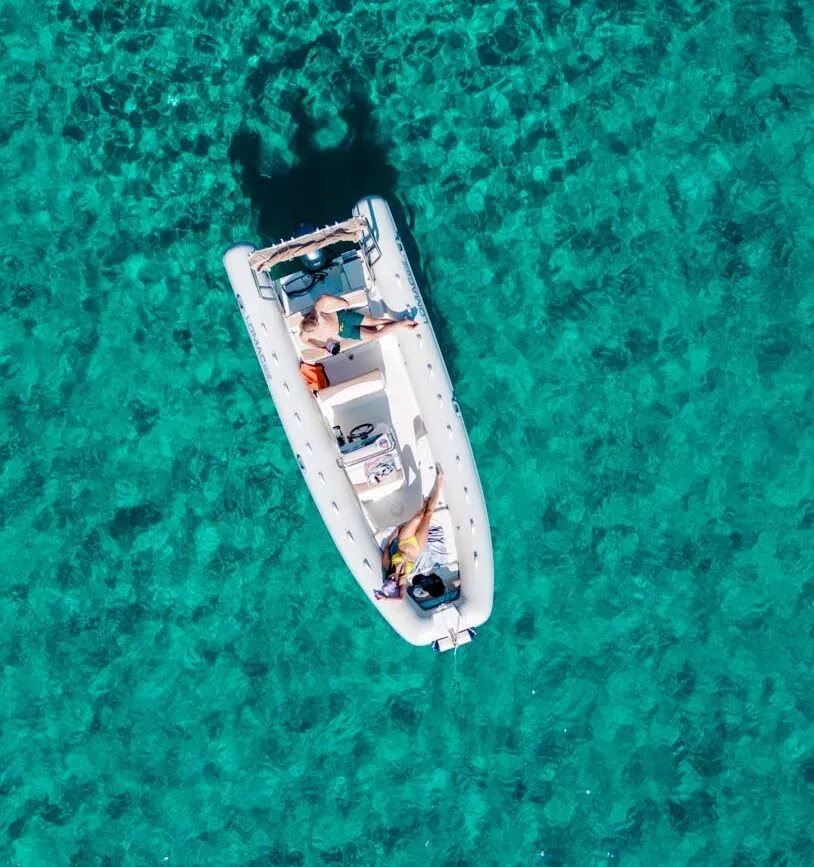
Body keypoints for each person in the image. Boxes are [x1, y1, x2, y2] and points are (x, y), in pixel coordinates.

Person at [376, 467, 445, 600]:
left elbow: (387, 547)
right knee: (428, 514)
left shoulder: (387, 565)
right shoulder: (402, 580)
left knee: (419, 516)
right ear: (396, 584)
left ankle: (424, 504)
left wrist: (394, 535)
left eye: (389, 578)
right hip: (418, 546)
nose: (392, 577)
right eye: (393, 581)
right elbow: (401, 598)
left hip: (404, 540)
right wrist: (386, 598)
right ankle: (440, 484)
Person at [300, 294, 416, 353]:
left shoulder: (315, 312)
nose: (317, 320)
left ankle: (403, 323)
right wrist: (320, 349)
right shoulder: (305, 334)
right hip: (343, 331)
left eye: (315, 320)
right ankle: (403, 323)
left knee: (374, 322)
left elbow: (324, 298)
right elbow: (305, 342)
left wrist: (342, 302)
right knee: (375, 336)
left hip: (343, 318)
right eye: (316, 324)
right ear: (311, 331)